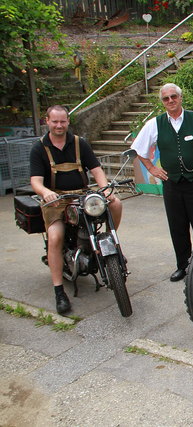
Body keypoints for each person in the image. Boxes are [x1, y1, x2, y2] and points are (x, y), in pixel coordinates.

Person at [30, 105, 123, 314]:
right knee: (55, 237)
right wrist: (46, 193)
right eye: (55, 121)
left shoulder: (79, 143)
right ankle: (59, 291)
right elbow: (35, 181)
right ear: (47, 121)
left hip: (82, 193)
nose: (59, 125)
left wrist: (105, 189)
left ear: (68, 121)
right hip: (56, 198)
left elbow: (97, 170)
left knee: (115, 204)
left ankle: (108, 245)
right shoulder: (39, 148)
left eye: (63, 121)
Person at [131, 83, 193, 282]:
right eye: (166, 99)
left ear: (180, 97)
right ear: (162, 102)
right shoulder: (155, 124)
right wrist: (151, 168)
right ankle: (182, 266)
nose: (170, 101)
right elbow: (139, 150)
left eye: (173, 96)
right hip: (172, 184)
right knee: (177, 227)